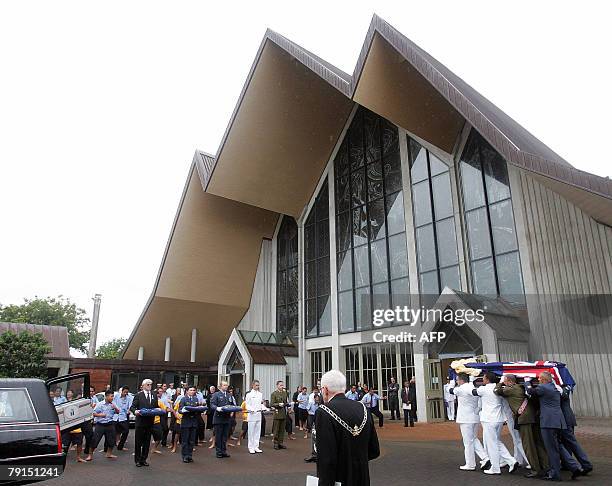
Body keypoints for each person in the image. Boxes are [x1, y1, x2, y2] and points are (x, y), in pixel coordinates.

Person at [316, 370, 380, 486]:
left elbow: (327, 460)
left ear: (325, 390)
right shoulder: (362, 408)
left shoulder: (324, 411)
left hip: (339, 478)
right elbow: (374, 450)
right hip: (362, 478)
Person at [525, 372, 583, 480]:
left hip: (548, 422)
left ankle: (555, 474)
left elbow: (530, 391)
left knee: (552, 449)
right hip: (558, 421)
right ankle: (575, 467)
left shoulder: (543, 388)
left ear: (543, 379)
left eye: (539, 378)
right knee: (558, 446)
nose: (538, 380)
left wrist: (527, 381)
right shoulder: (555, 387)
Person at [494, 374, 549, 478]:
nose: (504, 383)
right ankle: (546, 466)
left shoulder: (511, 389)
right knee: (538, 443)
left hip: (524, 419)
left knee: (528, 445)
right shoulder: (522, 387)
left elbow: (497, 391)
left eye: (505, 381)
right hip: (533, 417)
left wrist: (500, 383)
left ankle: (535, 470)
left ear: (509, 381)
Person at [472, 372, 518, 475]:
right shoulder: (500, 389)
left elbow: (473, 392)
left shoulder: (484, 389)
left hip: (489, 420)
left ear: (487, 379)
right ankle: (511, 461)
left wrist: (471, 380)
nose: (482, 380)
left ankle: (495, 468)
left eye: (484, 378)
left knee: (492, 444)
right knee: (496, 442)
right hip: (499, 419)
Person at [449, 373, 489, 471]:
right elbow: (479, 403)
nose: (457, 382)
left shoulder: (462, 388)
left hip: (465, 419)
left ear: (461, 380)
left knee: (468, 442)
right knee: (473, 439)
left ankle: (470, 464)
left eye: (458, 380)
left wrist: (451, 382)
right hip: (474, 417)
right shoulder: (474, 387)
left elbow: (450, 390)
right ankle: (485, 457)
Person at [559, 385, 593, 475]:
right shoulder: (565, 387)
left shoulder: (560, 389)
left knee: (570, 442)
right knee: (568, 442)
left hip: (564, 420)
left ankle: (586, 464)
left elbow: (563, 396)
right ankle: (567, 464)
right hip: (568, 419)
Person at [130, 378, 157, 467]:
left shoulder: (154, 395)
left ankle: (144, 459)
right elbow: (133, 407)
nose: (150, 386)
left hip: (150, 421)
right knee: (138, 441)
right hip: (141, 422)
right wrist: (135, 411)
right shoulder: (139, 395)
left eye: (151, 384)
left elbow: (156, 406)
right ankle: (137, 460)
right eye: (148, 384)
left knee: (147, 441)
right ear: (143, 385)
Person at [90, 389, 119, 460]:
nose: (112, 398)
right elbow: (93, 414)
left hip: (110, 424)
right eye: (111, 396)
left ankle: (109, 454)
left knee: (112, 440)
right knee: (95, 440)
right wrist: (100, 415)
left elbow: (118, 412)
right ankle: (90, 455)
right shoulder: (100, 404)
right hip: (100, 424)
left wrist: (115, 408)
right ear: (106, 396)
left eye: (113, 396)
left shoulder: (112, 404)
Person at [176, 386, 199, 463]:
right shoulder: (183, 399)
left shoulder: (196, 399)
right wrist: (184, 410)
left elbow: (198, 408)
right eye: (191, 390)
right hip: (186, 422)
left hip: (194, 422)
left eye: (193, 390)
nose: (192, 391)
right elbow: (180, 410)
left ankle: (190, 455)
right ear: (187, 391)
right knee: (185, 440)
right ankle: (185, 456)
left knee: (192, 441)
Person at [210, 381, 233, 458]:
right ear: (220, 386)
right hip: (219, 418)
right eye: (224, 385)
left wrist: (232, 410)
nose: (226, 386)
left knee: (225, 436)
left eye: (227, 385)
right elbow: (212, 405)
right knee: (218, 436)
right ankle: (218, 452)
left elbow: (231, 404)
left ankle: (224, 451)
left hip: (226, 418)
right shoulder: (216, 394)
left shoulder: (229, 395)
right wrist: (217, 408)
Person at [245, 380, 264, 454]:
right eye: (256, 385)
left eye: (258, 385)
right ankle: (251, 447)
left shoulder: (260, 394)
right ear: (252, 385)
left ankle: (256, 446)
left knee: (257, 432)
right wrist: (251, 409)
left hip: (259, 414)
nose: (257, 386)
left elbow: (260, 404)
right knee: (251, 432)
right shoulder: (249, 394)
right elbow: (247, 404)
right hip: (252, 415)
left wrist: (264, 408)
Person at [270, 380, 289, 450]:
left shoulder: (285, 393)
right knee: (276, 429)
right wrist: (278, 404)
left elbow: (286, 402)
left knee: (282, 429)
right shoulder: (274, 394)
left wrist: (287, 405)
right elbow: (271, 404)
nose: (282, 386)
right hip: (277, 413)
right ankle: (275, 443)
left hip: (283, 413)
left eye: (282, 385)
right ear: (277, 386)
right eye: (280, 385)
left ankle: (280, 443)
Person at [113, 386, 132, 451]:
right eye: (124, 392)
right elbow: (112, 402)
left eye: (127, 392)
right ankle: (114, 443)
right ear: (122, 391)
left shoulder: (128, 398)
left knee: (126, 431)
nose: (125, 393)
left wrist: (129, 410)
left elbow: (130, 406)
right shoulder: (116, 396)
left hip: (123, 417)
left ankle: (121, 445)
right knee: (115, 431)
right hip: (115, 416)